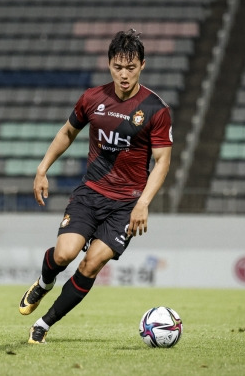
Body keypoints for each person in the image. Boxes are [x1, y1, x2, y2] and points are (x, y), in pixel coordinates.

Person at [19, 29, 173, 344]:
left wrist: (143, 203)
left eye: (131, 68)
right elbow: (67, 133)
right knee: (64, 255)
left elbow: (163, 161)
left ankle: (44, 325)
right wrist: (42, 168)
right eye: (118, 67)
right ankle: (44, 283)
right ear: (109, 65)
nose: (124, 74)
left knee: (91, 263)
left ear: (142, 65)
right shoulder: (92, 98)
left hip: (126, 206)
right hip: (90, 195)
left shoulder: (157, 110)